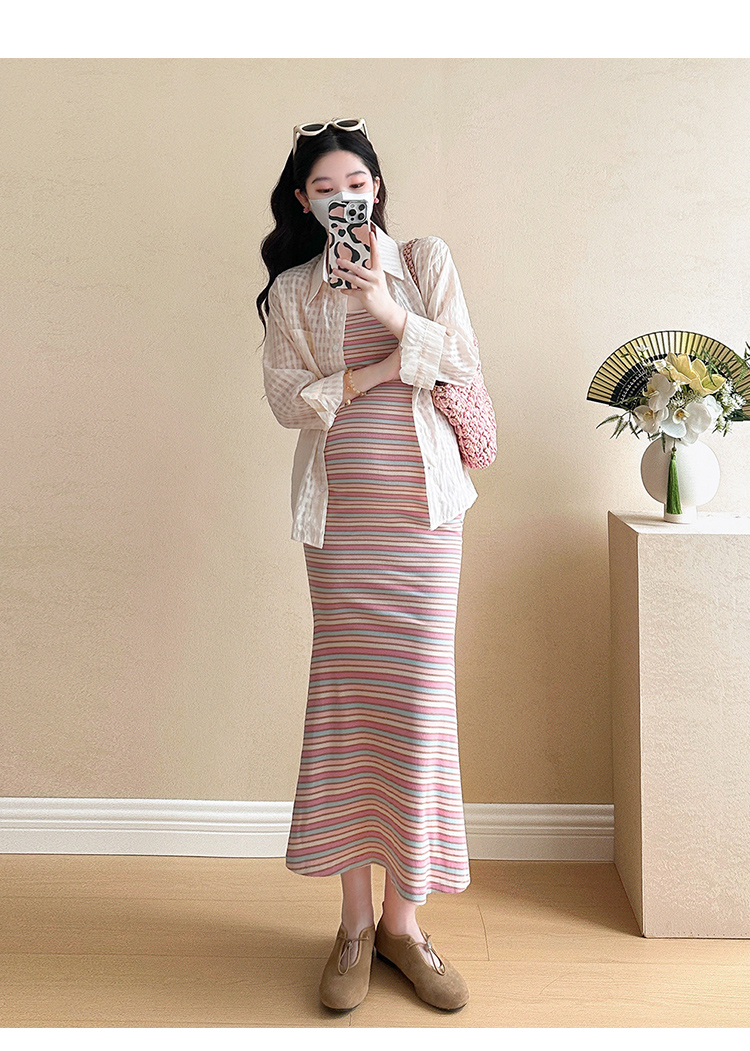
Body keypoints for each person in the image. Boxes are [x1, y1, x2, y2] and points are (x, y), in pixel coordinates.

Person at [257, 118, 479, 1013]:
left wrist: (388, 311)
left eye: (356, 183)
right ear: (303, 201)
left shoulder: (424, 262)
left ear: (376, 188)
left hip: (425, 521)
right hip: (341, 527)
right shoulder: (291, 290)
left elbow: (460, 360)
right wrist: (373, 375)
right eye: (325, 188)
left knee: (417, 708)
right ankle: (353, 924)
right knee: (349, 709)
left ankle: (403, 925)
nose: (343, 198)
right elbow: (288, 399)